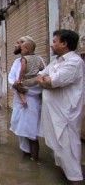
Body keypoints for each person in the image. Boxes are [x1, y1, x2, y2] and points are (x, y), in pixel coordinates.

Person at [37, 29, 85, 184]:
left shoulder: (74, 62)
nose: (52, 45)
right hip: (54, 115)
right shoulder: (57, 62)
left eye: (55, 41)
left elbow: (51, 81)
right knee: (58, 153)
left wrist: (47, 82)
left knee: (69, 154)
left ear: (64, 44)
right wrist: (46, 81)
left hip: (65, 116)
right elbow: (41, 76)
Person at [9, 36, 44, 160]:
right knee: (21, 130)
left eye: (18, 43)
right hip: (19, 100)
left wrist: (24, 88)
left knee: (31, 133)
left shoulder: (37, 59)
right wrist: (18, 86)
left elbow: (41, 76)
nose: (16, 45)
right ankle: (26, 155)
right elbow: (11, 79)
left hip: (32, 101)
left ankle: (34, 160)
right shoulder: (16, 62)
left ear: (25, 46)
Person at [16, 41, 44, 107]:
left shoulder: (24, 58)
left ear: (26, 49)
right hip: (35, 79)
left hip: (27, 80)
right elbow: (42, 67)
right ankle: (40, 97)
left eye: (22, 50)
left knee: (17, 87)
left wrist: (19, 80)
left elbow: (23, 69)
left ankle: (24, 100)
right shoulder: (38, 57)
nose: (21, 51)